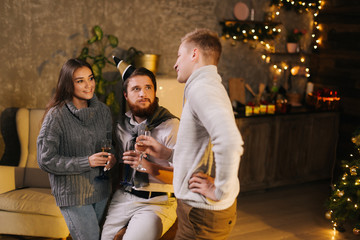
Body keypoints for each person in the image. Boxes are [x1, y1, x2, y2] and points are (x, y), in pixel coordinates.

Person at [140, 28, 244, 239]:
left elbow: (230, 141)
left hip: (201, 215)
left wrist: (220, 190)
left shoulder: (202, 89)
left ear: (194, 54)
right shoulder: (207, 87)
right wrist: (167, 153)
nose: (175, 63)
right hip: (199, 213)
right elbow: (202, 148)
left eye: (179, 55)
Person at [37, 58, 116, 240]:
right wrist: (86, 162)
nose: (88, 85)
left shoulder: (103, 111)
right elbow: (45, 159)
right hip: (73, 193)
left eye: (90, 78)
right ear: (68, 85)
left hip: (101, 189)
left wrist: (111, 157)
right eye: (80, 81)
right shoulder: (56, 116)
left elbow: (109, 145)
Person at [101, 59, 179, 240]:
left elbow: (181, 177)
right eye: (136, 89)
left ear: (154, 91)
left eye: (148, 88)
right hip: (125, 197)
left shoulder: (171, 126)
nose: (143, 93)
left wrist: (145, 165)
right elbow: (121, 167)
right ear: (126, 95)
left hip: (158, 201)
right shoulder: (122, 126)